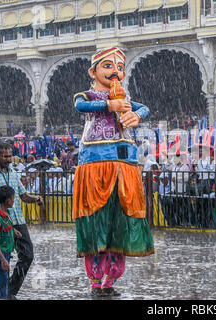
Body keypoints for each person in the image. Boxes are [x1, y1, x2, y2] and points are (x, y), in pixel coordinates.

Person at [72, 47, 154, 297]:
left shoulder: (125, 97)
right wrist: (109, 104)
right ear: (93, 71)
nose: (115, 72)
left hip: (126, 164)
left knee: (120, 224)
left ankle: (110, 279)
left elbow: (145, 108)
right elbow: (80, 105)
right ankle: (95, 281)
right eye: (108, 66)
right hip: (95, 163)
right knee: (97, 223)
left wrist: (135, 114)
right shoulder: (87, 95)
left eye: (119, 68)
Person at [0, 142, 43, 300]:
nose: (8, 159)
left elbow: (22, 195)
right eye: (5, 156)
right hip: (1, 226)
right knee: (3, 261)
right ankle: (1, 294)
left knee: (27, 256)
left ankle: (9, 291)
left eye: (10, 156)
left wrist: (35, 199)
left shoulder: (14, 173)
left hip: (18, 221)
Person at [0, 186, 23, 299]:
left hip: (6, 252)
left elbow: (7, 226)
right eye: (13, 198)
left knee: (1, 277)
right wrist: (3, 260)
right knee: (3, 280)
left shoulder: (6, 213)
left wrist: (14, 231)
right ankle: (2, 297)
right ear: (8, 200)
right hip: (0, 253)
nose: (14, 200)